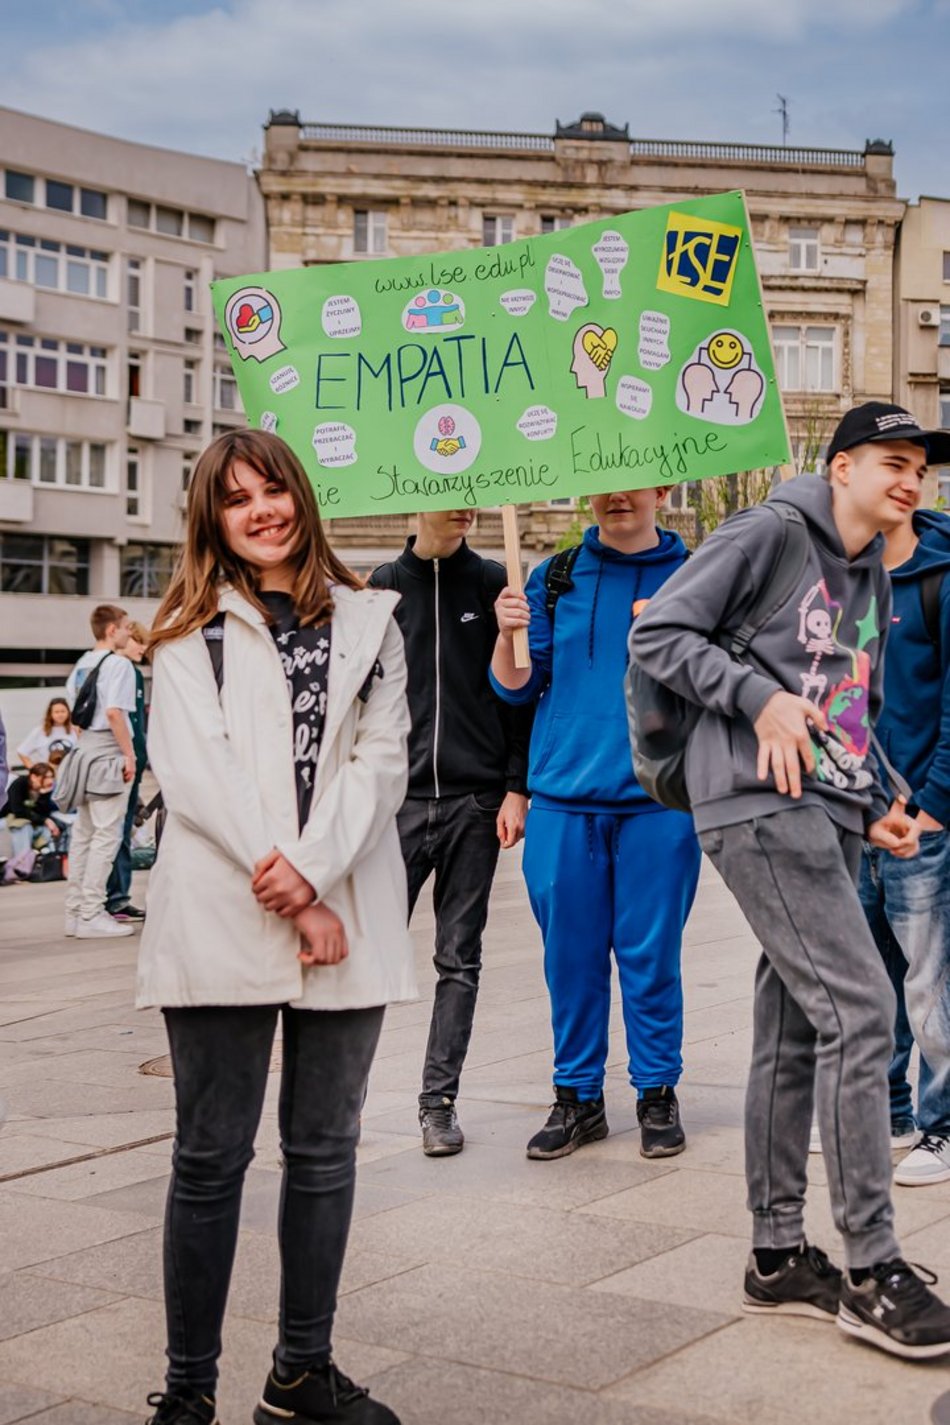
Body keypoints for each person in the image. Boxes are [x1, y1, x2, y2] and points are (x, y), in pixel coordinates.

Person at [631, 403, 950, 1359]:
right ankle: (869, 1267)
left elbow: (853, 715)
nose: (910, 481)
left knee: (795, 1023)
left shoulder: (873, 580)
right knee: (863, 1012)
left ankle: (776, 1253)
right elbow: (661, 638)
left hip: (827, 812)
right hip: (754, 803)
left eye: (921, 471)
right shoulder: (771, 530)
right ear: (842, 465)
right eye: (892, 462)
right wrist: (759, 696)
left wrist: (884, 800)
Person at [137, 429, 415, 1425]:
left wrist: (315, 871)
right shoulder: (181, 631)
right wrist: (292, 885)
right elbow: (193, 771)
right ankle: (187, 1389)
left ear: (302, 496)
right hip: (221, 913)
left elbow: (381, 765)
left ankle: (301, 1371)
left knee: (325, 1148)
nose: (262, 510)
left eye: (274, 490)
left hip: (344, 908)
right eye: (236, 498)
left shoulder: (374, 621)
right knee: (210, 1156)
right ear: (211, 518)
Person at [491, 488, 701, 1161]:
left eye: (632, 478)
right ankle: (577, 1097)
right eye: (604, 480)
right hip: (563, 800)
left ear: (660, 489)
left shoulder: (697, 575)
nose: (617, 495)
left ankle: (656, 1093)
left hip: (658, 805)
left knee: (651, 955)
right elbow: (517, 686)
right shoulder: (552, 576)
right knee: (570, 960)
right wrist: (506, 633)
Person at [368, 509, 531, 1155]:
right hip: (398, 804)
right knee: (369, 958)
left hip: (474, 801)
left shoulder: (493, 582)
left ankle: (438, 1105)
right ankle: (342, 1098)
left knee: (458, 959)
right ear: (414, 498)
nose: (465, 504)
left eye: (471, 491)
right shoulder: (382, 587)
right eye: (450, 491)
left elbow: (517, 694)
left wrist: (516, 786)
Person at [857, 499, 950, 1186]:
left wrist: (934, 806)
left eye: (909, 466)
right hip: (856, 816)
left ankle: (943, 1125)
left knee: (930, 981)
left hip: (919, 819)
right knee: (872, 977)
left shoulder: (938, 576)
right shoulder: (842, 575)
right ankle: (887, 1112)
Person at [61, 605, 136, 939]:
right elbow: (114, 713)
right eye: (126, 628)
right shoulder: (119, 665)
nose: (128, 634)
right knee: (107, 835)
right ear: (111, 630)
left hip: (84, 751)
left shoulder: (81, 664)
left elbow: (76, 715)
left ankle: (75, 912)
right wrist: (129, 755)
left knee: (84, 834)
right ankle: (92, 912)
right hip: (107, 752)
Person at [105, 621, 150, 923]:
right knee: (119, 830)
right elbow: (121, 717)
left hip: (122, 757)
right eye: (137, 641)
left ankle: (114, 896)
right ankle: (117, 898)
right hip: (127, 758)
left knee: (118, 829)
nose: (142, 648)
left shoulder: (108, 666)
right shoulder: (125, 670)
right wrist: (132, 755)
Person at [2, 763, 64, 857]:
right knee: (24, 827)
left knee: (48, 830)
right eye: (46, 777)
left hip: (30, 821)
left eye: (52, 777)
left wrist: (43, 795)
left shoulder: (44, 789)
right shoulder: (20, 783)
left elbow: (43, 812)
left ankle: (48, 858)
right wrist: (45, 820)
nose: (50, 780)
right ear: (34, 776)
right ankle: (22, 861)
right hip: (8, 818)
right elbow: (18, 811)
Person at [16, 697, 77, 769]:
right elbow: (22, 752)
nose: (60, 715)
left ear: (68, 713)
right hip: (49, 778)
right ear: (50, 714)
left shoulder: (75, 730)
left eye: (63, 711)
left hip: (70, 776)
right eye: (56, 712)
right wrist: (36, 772)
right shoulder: (40, 731)